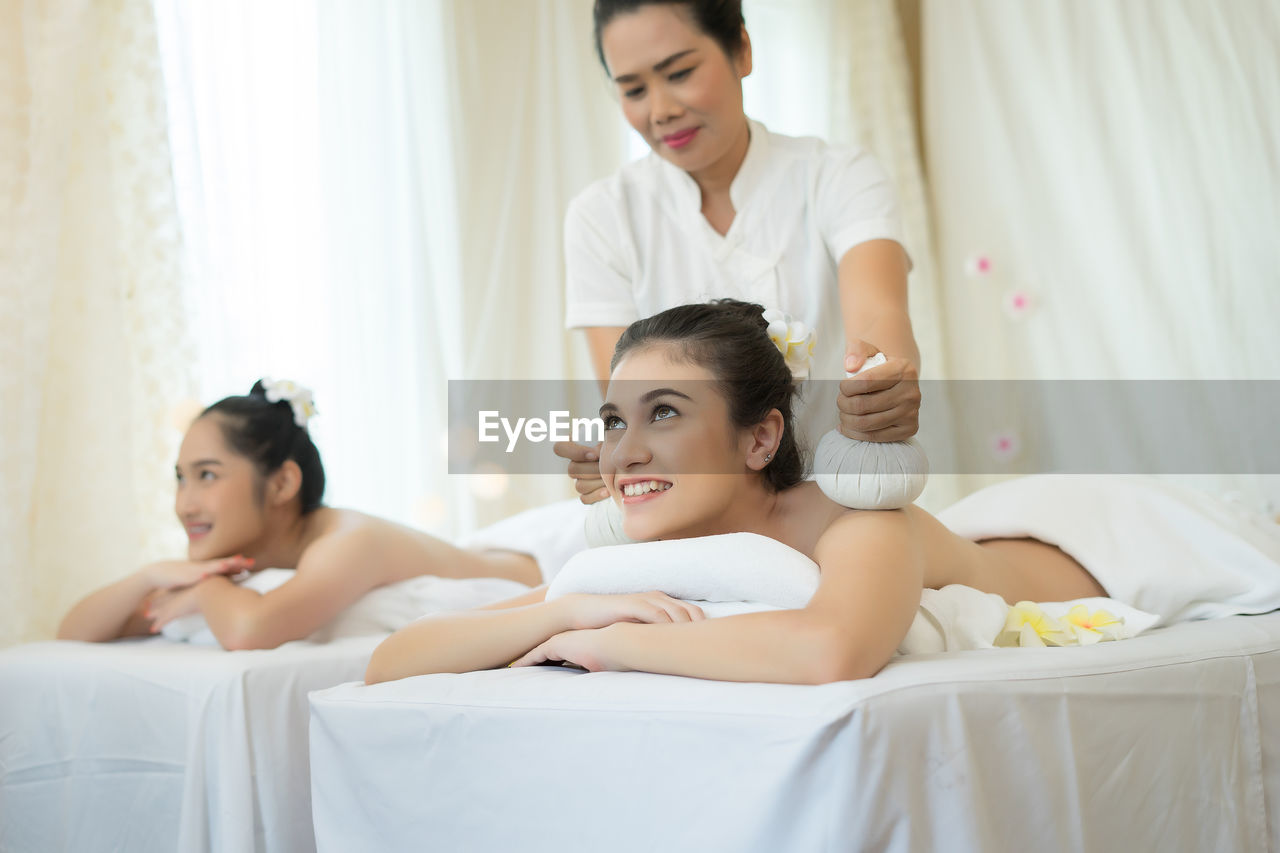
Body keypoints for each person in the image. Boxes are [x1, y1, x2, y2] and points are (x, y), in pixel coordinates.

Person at [364, 301, 1122, 686]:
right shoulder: (643, 538)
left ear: (760, 438)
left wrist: (604, 643)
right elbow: (393, 660)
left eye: (664, 411)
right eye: (613, 420)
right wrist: (563, 609)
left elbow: (831, 650)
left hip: (1084, 546)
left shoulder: (859, 523)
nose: (624, 452)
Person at [557, 0, 922, 505]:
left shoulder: (837, 176)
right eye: (634, 89)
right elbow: (629, 399)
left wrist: (883, 383)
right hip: (694, 512)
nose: (660, 109)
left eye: (680, 72)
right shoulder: (601, 216)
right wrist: (615, 451)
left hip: (834, 500)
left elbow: (880, 313)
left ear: (742, 51)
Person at [57, 380, 541, 649]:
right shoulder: (239, 561)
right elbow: (73, 633)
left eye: (207, 476)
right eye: (180, 478)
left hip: (541, 573)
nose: (185, 503)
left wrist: (203, 586)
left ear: (284, 483)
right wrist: (148, 577)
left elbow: (251, 630)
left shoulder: (349, 540)